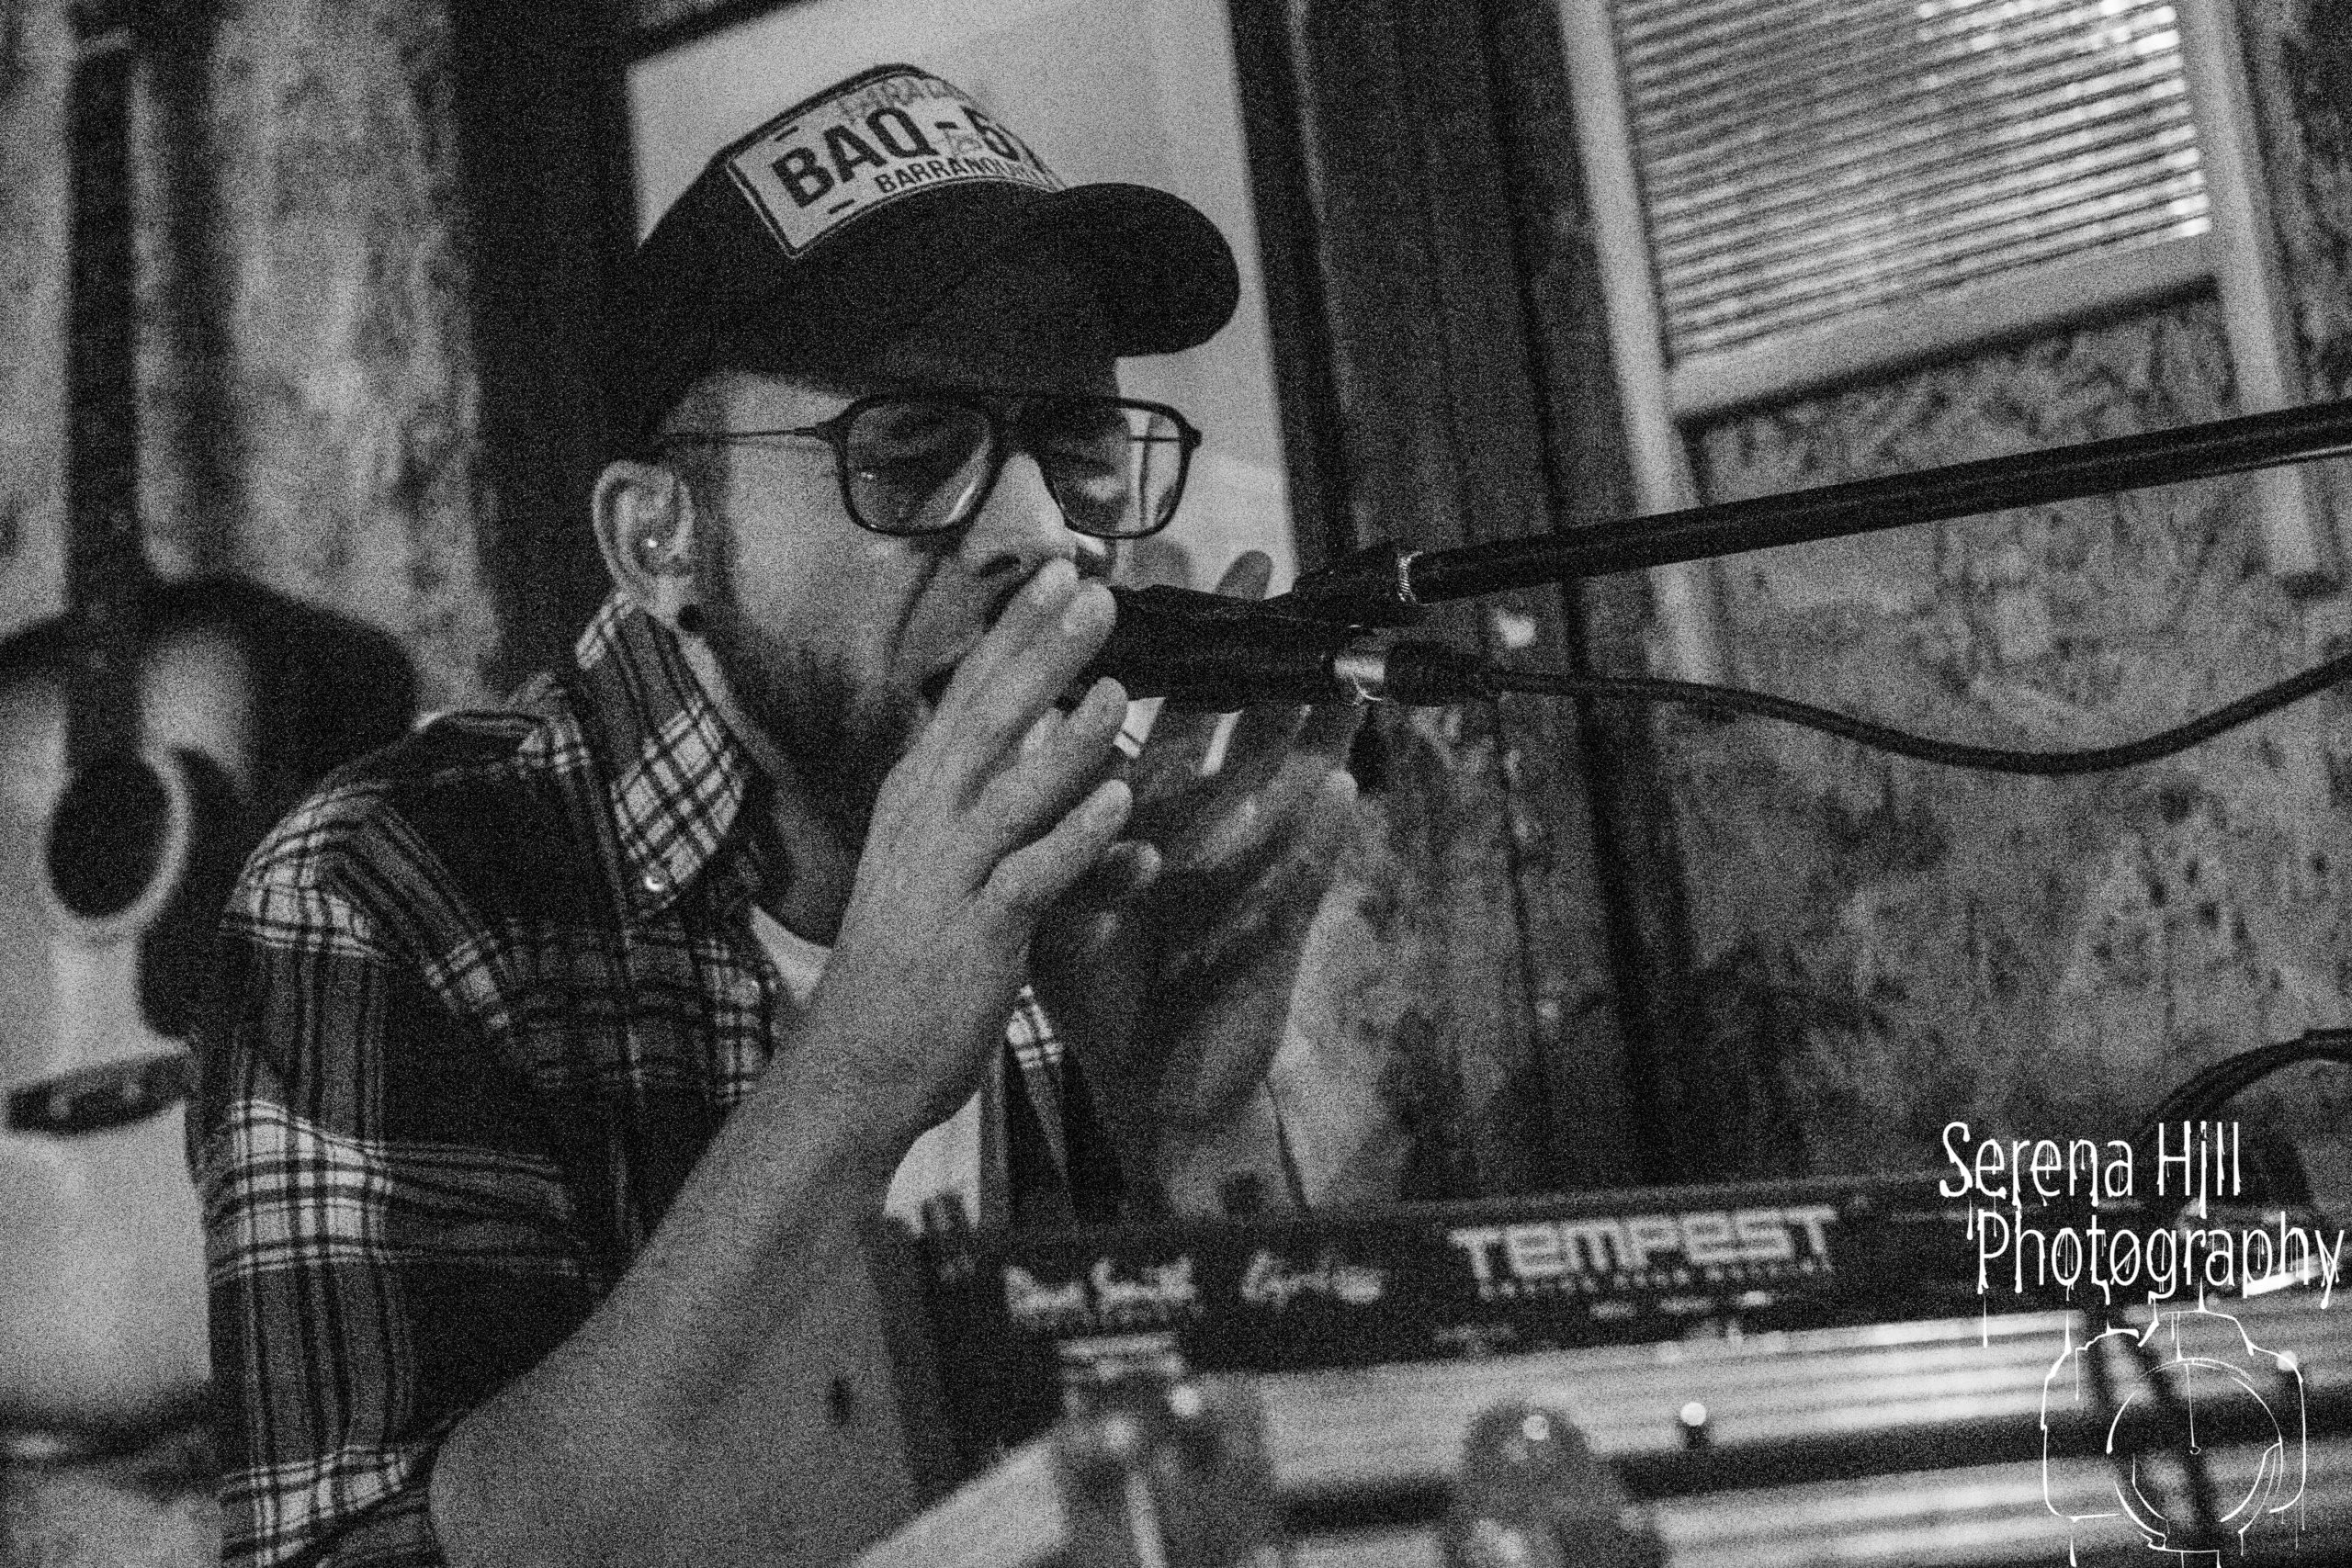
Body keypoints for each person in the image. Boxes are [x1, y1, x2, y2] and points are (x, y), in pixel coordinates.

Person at [192, 62, 1360, 1568]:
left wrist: (1194, 1130)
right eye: (911, 450)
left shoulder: (1085, 867)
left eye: (1077, 448)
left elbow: (1273, 1514)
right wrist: (858, 1071)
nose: (1044, 538)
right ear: (660, 538)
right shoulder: (386, 891)